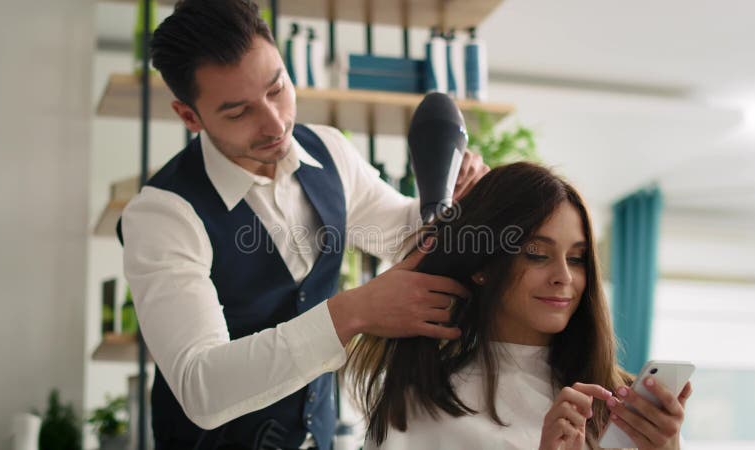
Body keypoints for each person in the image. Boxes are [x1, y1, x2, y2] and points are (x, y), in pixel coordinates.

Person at [119, 1, 489, 449]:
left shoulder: (329, 151)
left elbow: (404, 236)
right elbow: (202, 387)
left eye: (277, 89)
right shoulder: (163, 214)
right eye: (239, 113)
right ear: (189, 116)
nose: (274, 124)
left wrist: (454, 200)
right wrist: (353, 312)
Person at [344, 162, 693, 450]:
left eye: (577, 259)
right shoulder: (420, 410)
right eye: (537, 255)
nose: (564, 277)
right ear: (482, 265)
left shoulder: (616, 406)